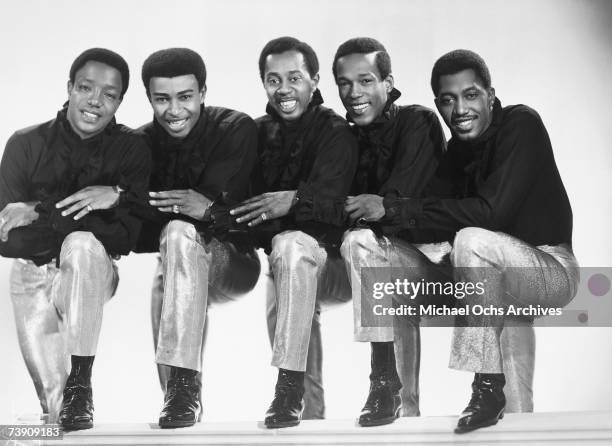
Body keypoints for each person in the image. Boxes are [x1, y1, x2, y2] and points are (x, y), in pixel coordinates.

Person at [393, 49, 578, 433]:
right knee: (515, 421)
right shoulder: (455, 154)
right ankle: (401, 406)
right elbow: (422, 224)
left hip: (551, 269)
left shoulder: (521, 124)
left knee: (473, 239)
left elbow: (489, 213)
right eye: (449, 100)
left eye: (471, 94)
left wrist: (418, 215)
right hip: (494, 283)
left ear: (491, 94)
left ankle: (485, 385)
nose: (460, 108)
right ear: (438, 105)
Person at [0, 48, 151, 430]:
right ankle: (66, 408)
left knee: (82, 246)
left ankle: (83, 381)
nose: (95, 102)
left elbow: (124, 236)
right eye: (86, 88)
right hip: (31, 274)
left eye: (110, 95)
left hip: (92, 269)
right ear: (69, 88)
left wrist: (38, 211)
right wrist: (92, 209)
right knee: (58, 411)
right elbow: (7, 240)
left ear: (119, 101)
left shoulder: (132, 148)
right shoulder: (25, 143)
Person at [230, 36, 358, 428]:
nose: (284, 89)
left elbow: (334, 205)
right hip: (285, 265)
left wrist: (293, 201)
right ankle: (305, 414)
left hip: (336, 264)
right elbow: (246, 209)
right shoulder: (254, 132)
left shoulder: (337, 131)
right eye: (273, 80)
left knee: (289, 245)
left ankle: (288, 390)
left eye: (294, 78)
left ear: (315, 80)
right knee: (286, 265)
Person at [134, 48, 260, 429]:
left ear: (203, 92)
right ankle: (181, 401)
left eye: (185, 97)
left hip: (234, 260)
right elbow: (136, 226)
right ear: (150, 99)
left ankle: (183, 386)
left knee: (176, 233)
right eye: (162, 99)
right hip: (175, 263)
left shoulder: (235, 128)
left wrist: (190, 210)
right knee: (167, 271)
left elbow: (220, 209)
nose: (175, 110)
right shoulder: (139, 143)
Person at [332, 37, 448, 426]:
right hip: (375, 265)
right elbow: (332, 209)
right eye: (344, 84)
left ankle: (384, 380)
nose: (354, 93)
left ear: (388, 82)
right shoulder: (340, 138)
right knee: (293, 260)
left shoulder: (418, 122)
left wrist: (368, 209)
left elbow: (397, 202)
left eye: (365, 81)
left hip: (433, 263)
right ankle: (395, 400)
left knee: (364, 243)